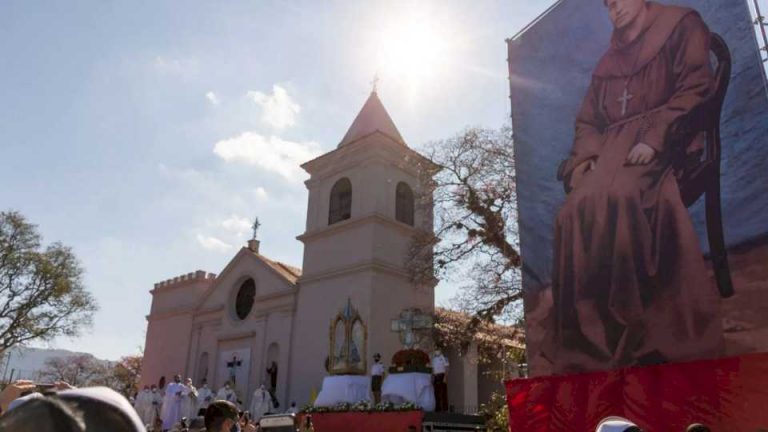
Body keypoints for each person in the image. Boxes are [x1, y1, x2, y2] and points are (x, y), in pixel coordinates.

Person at [548, 0, 723, 374]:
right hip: (611, 152)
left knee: (623, 197)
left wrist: (657, 137)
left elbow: (695, 88)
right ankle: (592, 329)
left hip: (666, 143)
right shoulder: (609, 61)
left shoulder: (682, 24)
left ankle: (632, 318)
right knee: (569, 213)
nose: (614, 9)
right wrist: (588, 157)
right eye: (607, 4)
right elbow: (588, 121)